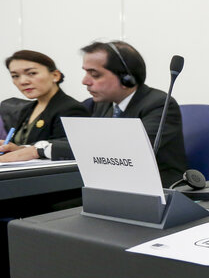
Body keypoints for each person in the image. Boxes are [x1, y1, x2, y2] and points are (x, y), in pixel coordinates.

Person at [0, 41, 187, 187]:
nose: (85, 81)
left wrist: (39, 150)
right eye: (85, 73)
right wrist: (28, 148)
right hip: (113, 185)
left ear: (126, 77)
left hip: (159, 189)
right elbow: (77, 140)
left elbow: (123, 148)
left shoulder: (159, 103)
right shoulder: (102, 105)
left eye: (95, 74)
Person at [0, 50, 88, 150]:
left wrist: (21, 150)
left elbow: (66, 151)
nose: (22, 81)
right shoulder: (27, 109)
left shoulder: (71, 109)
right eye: (15, 76)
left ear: (55, 76)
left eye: (32, 73)